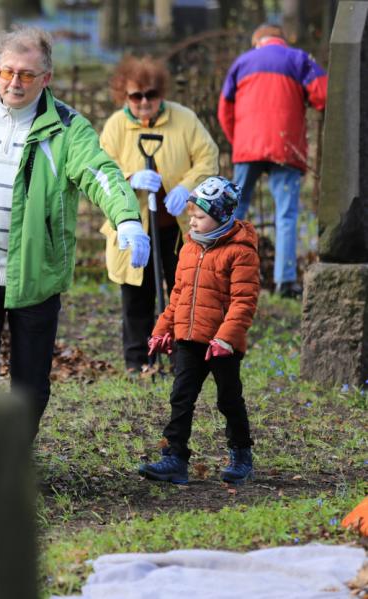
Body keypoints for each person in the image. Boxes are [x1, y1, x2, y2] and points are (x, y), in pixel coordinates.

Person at [0, 25, 149, 436]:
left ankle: (13, 453)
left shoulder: (68, 130)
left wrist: (127, 219)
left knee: (29, 386)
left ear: (46, 79)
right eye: (8, 72)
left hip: (36, 273)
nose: (15, 82)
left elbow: (100, 174)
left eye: (28, 75)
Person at [100, 55, 219, 376]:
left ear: (161, 93)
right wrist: (130, 178)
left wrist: (187, 187)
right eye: (135, 96)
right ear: (124, 96)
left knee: (182, 293)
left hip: (179, 227)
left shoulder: (184, 120)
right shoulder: (116, 127)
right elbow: (101, 171)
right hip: (134, 227)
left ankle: (182, 359)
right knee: (137, 296)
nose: (143, 103)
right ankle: (138, 360)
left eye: (150, 95)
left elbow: (208, 158)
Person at [140, 176, 260, 485]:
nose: (191, 220)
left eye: (199, 216)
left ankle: (241, 453)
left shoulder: (241, 252)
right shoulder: (189, 249)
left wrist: (226, 337)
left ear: (221, 217)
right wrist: (162, 329)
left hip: (221, 343)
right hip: (189, 340)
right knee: (181, 396)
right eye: (191, 215)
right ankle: (174, 457)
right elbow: (177, 296)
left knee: (228, 399)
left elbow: (243, 301)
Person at [218, 24, 327, 298]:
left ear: (258, 42)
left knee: (236, 211)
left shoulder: (242, 62)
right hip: (285, 147)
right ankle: (285, 282)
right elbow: (323, 94)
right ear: (282, 40)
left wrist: (239, 142)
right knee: (287, 214)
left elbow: (224, 110)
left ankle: (226, 276)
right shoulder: (298, 59)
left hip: (247, 147)